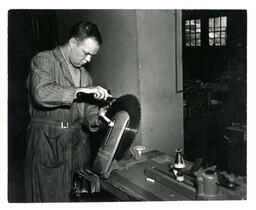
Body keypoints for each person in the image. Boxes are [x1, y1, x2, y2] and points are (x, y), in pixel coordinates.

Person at [24, 21, 111, 202]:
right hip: (48, 147)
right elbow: (42, 93)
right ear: (72, 42)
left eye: (92, 56)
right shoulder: (44, 60)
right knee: (48, 199)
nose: (88, 60)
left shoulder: (85, 75)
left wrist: (100, 115)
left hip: (78, 150)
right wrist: (80, 91)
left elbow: (88, 117)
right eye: (86, 53)